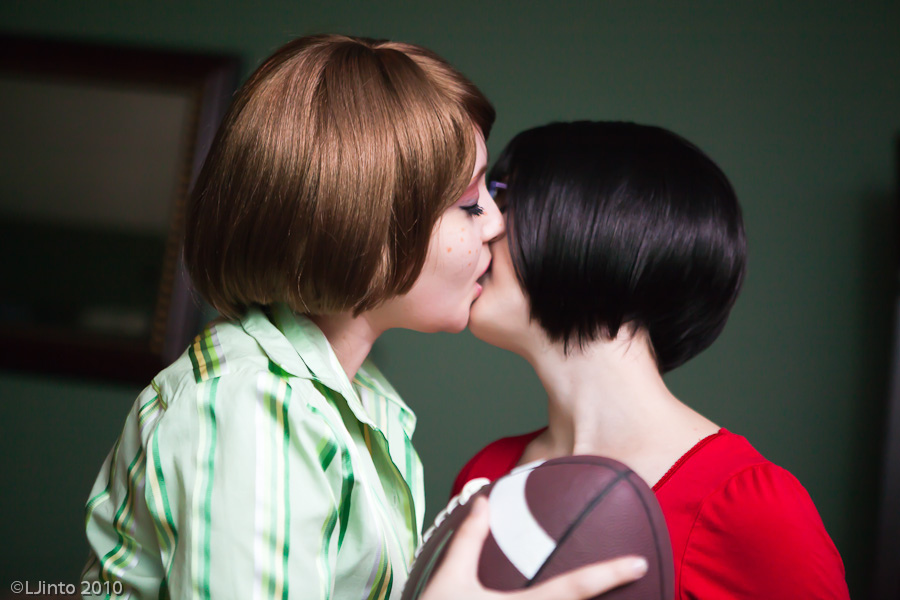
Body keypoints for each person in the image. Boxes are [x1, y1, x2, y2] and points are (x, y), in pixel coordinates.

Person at [80, 37, 648, 600]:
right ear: (366, 229)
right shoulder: (251, 406)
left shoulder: (363, 399)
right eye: (471, 203)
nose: (497, 224)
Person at [455, 121, 851, 599]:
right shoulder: (486, 474)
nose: (486, 222)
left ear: (603, 232)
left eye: (505, 195)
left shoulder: (751, 509)